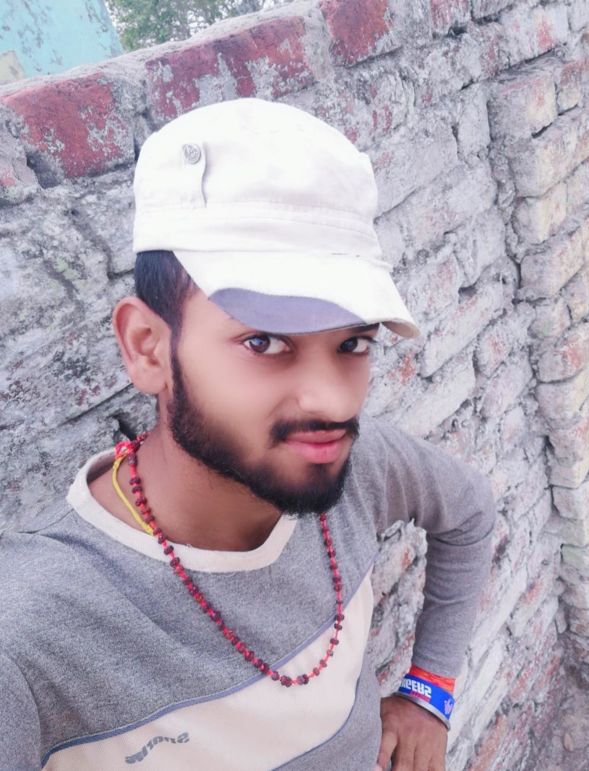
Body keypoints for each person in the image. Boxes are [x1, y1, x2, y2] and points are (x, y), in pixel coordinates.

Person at [0, 98, 496, 771]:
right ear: (147, 346)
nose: (332, 400)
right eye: (264, 341)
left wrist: (429, 691)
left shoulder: (356, 462)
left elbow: (469, 510)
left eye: (353, 342)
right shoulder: (31, 636)